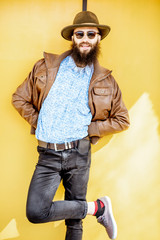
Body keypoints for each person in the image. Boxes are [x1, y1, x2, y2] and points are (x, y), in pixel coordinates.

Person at [12, 11, 130, 240]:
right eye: (80, 34)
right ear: (73, 38)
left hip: (80, 152)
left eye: (90, 34)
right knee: (36, 212)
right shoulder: (46, 67)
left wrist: (92, 130)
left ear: (98, 39)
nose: (85, 38)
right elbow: (19, 98)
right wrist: (41, 122)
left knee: (74, 223)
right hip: (48, 153)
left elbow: (122, 119)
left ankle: (91, 209)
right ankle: (97, 208)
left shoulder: (106, 80)